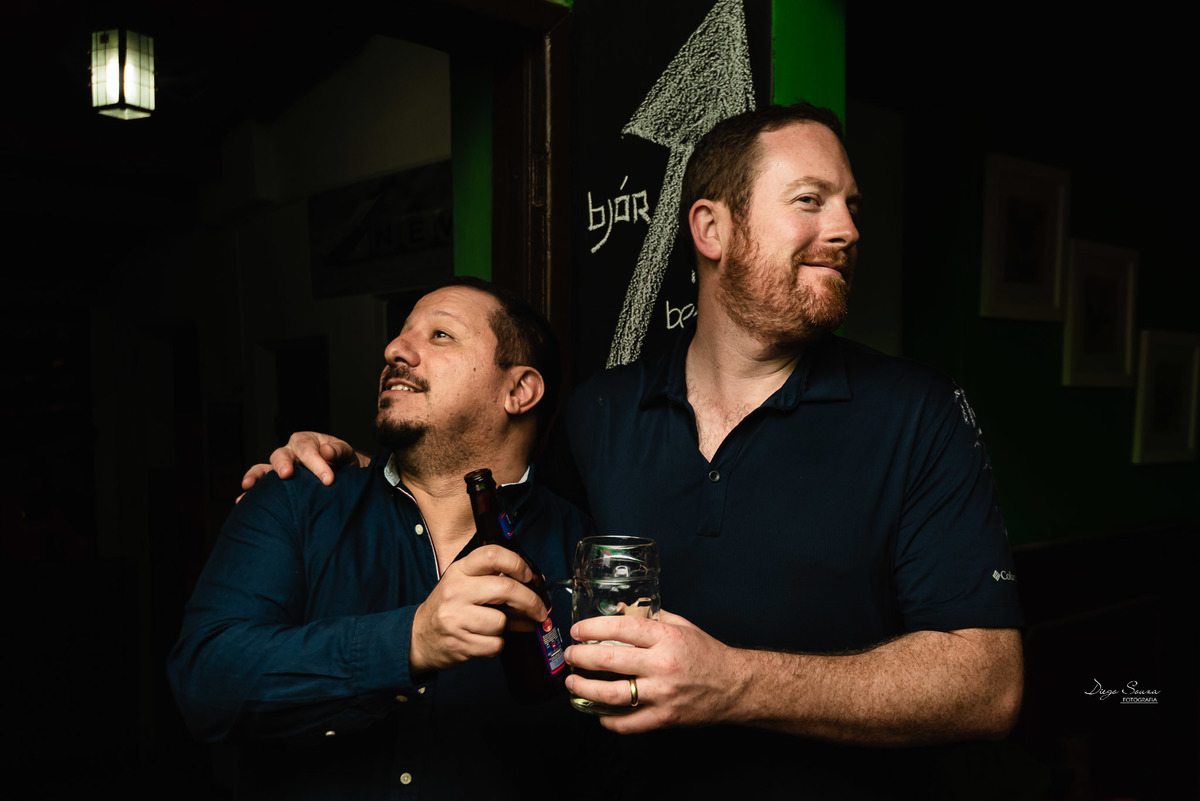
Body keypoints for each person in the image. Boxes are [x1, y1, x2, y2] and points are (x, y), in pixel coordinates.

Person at [251, 103, 1025, 798]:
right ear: (712, 229)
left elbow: (989, 685)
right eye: (809, 200)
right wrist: (365, 467)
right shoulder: (601, 411)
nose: (847, 229)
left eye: (851, 206)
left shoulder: (918, 411)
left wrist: (735, 682)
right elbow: (505, 521)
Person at [168, 278, 602, 800]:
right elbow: (204, 686)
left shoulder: (584, 552)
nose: (395, 349)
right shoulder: (296, 501)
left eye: (440, 335)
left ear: (519, 391)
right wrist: (408, 642)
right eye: (401, 334)